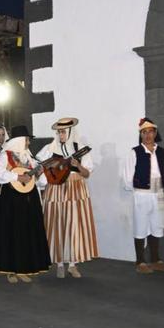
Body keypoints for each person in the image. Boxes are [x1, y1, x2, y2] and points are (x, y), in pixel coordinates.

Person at [36, 118, 98, 278]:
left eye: (63, 131)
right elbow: (40, 168)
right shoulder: (49, 149)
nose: (60, 134)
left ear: (70, 132)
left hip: (76, 189)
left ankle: (72, 264)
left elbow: (87, 174)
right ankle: (59, 264)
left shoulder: (81, 149)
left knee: (74, 225)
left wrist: (78, 166)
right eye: (59, 132)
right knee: (57, 224)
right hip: (55, 189)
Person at [0, 125, 51, 282]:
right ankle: (10, 269)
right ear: (19, 140)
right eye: (26, 140)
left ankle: (24, 268)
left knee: (26, 233)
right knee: (11, 233)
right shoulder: (5, 155)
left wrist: (38, 174)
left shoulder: (29, 158)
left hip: (28, 200)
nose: (28, 143)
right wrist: (17, 177)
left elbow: (40, 181)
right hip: (9, 201)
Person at [123, 117, 164, 274]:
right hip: (142, 194)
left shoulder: (163, 153)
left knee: (156, 226)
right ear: (141, 134)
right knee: (141, 226)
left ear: (155, 133)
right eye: (144, 132)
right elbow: (127, 176)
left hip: (158, 193)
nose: (148, 135)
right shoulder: (135, 152)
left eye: (150, 131)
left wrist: (157, 188)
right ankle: (140, 261)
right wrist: (139, 188)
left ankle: (156, 260)